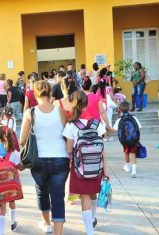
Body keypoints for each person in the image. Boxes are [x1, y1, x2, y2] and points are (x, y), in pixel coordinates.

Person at [20, 80, 69, 235]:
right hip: (61, 159)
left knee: (42, 192)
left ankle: (47, 224)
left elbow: (21, 140)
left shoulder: (30, 113)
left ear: (35, 94)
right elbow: (68, 136)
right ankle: (57, 233)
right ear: (50, 94)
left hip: (38, 161)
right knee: (58, 196)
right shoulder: (60, 111)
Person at [63, 90, 108, 235]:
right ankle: (93, 219)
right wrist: (105, 169)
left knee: (85, 198)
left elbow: (69, 149)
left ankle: (90, 231)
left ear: (73, 104)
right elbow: (102, 148)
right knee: (93, 193)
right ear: (87, 104)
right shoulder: (96, 124)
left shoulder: (71, 126)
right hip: (97, 166)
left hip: (79, 168)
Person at [0, 126, 24, 234]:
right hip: (12, 185)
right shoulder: (14, 153)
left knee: (2, 208)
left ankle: (1, 232)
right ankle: (13, 223)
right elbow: (20, 168)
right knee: (12, 202)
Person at [113, 101, 142, 177]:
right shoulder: (134, 118)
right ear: (129, 109)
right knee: (133, 153)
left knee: (126, 153)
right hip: (134, 140)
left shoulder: (119, 119)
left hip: (124, 141)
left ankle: (127, 166)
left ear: (120, 109)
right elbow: (139, 128)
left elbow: (115, 129)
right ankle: (134, 170)